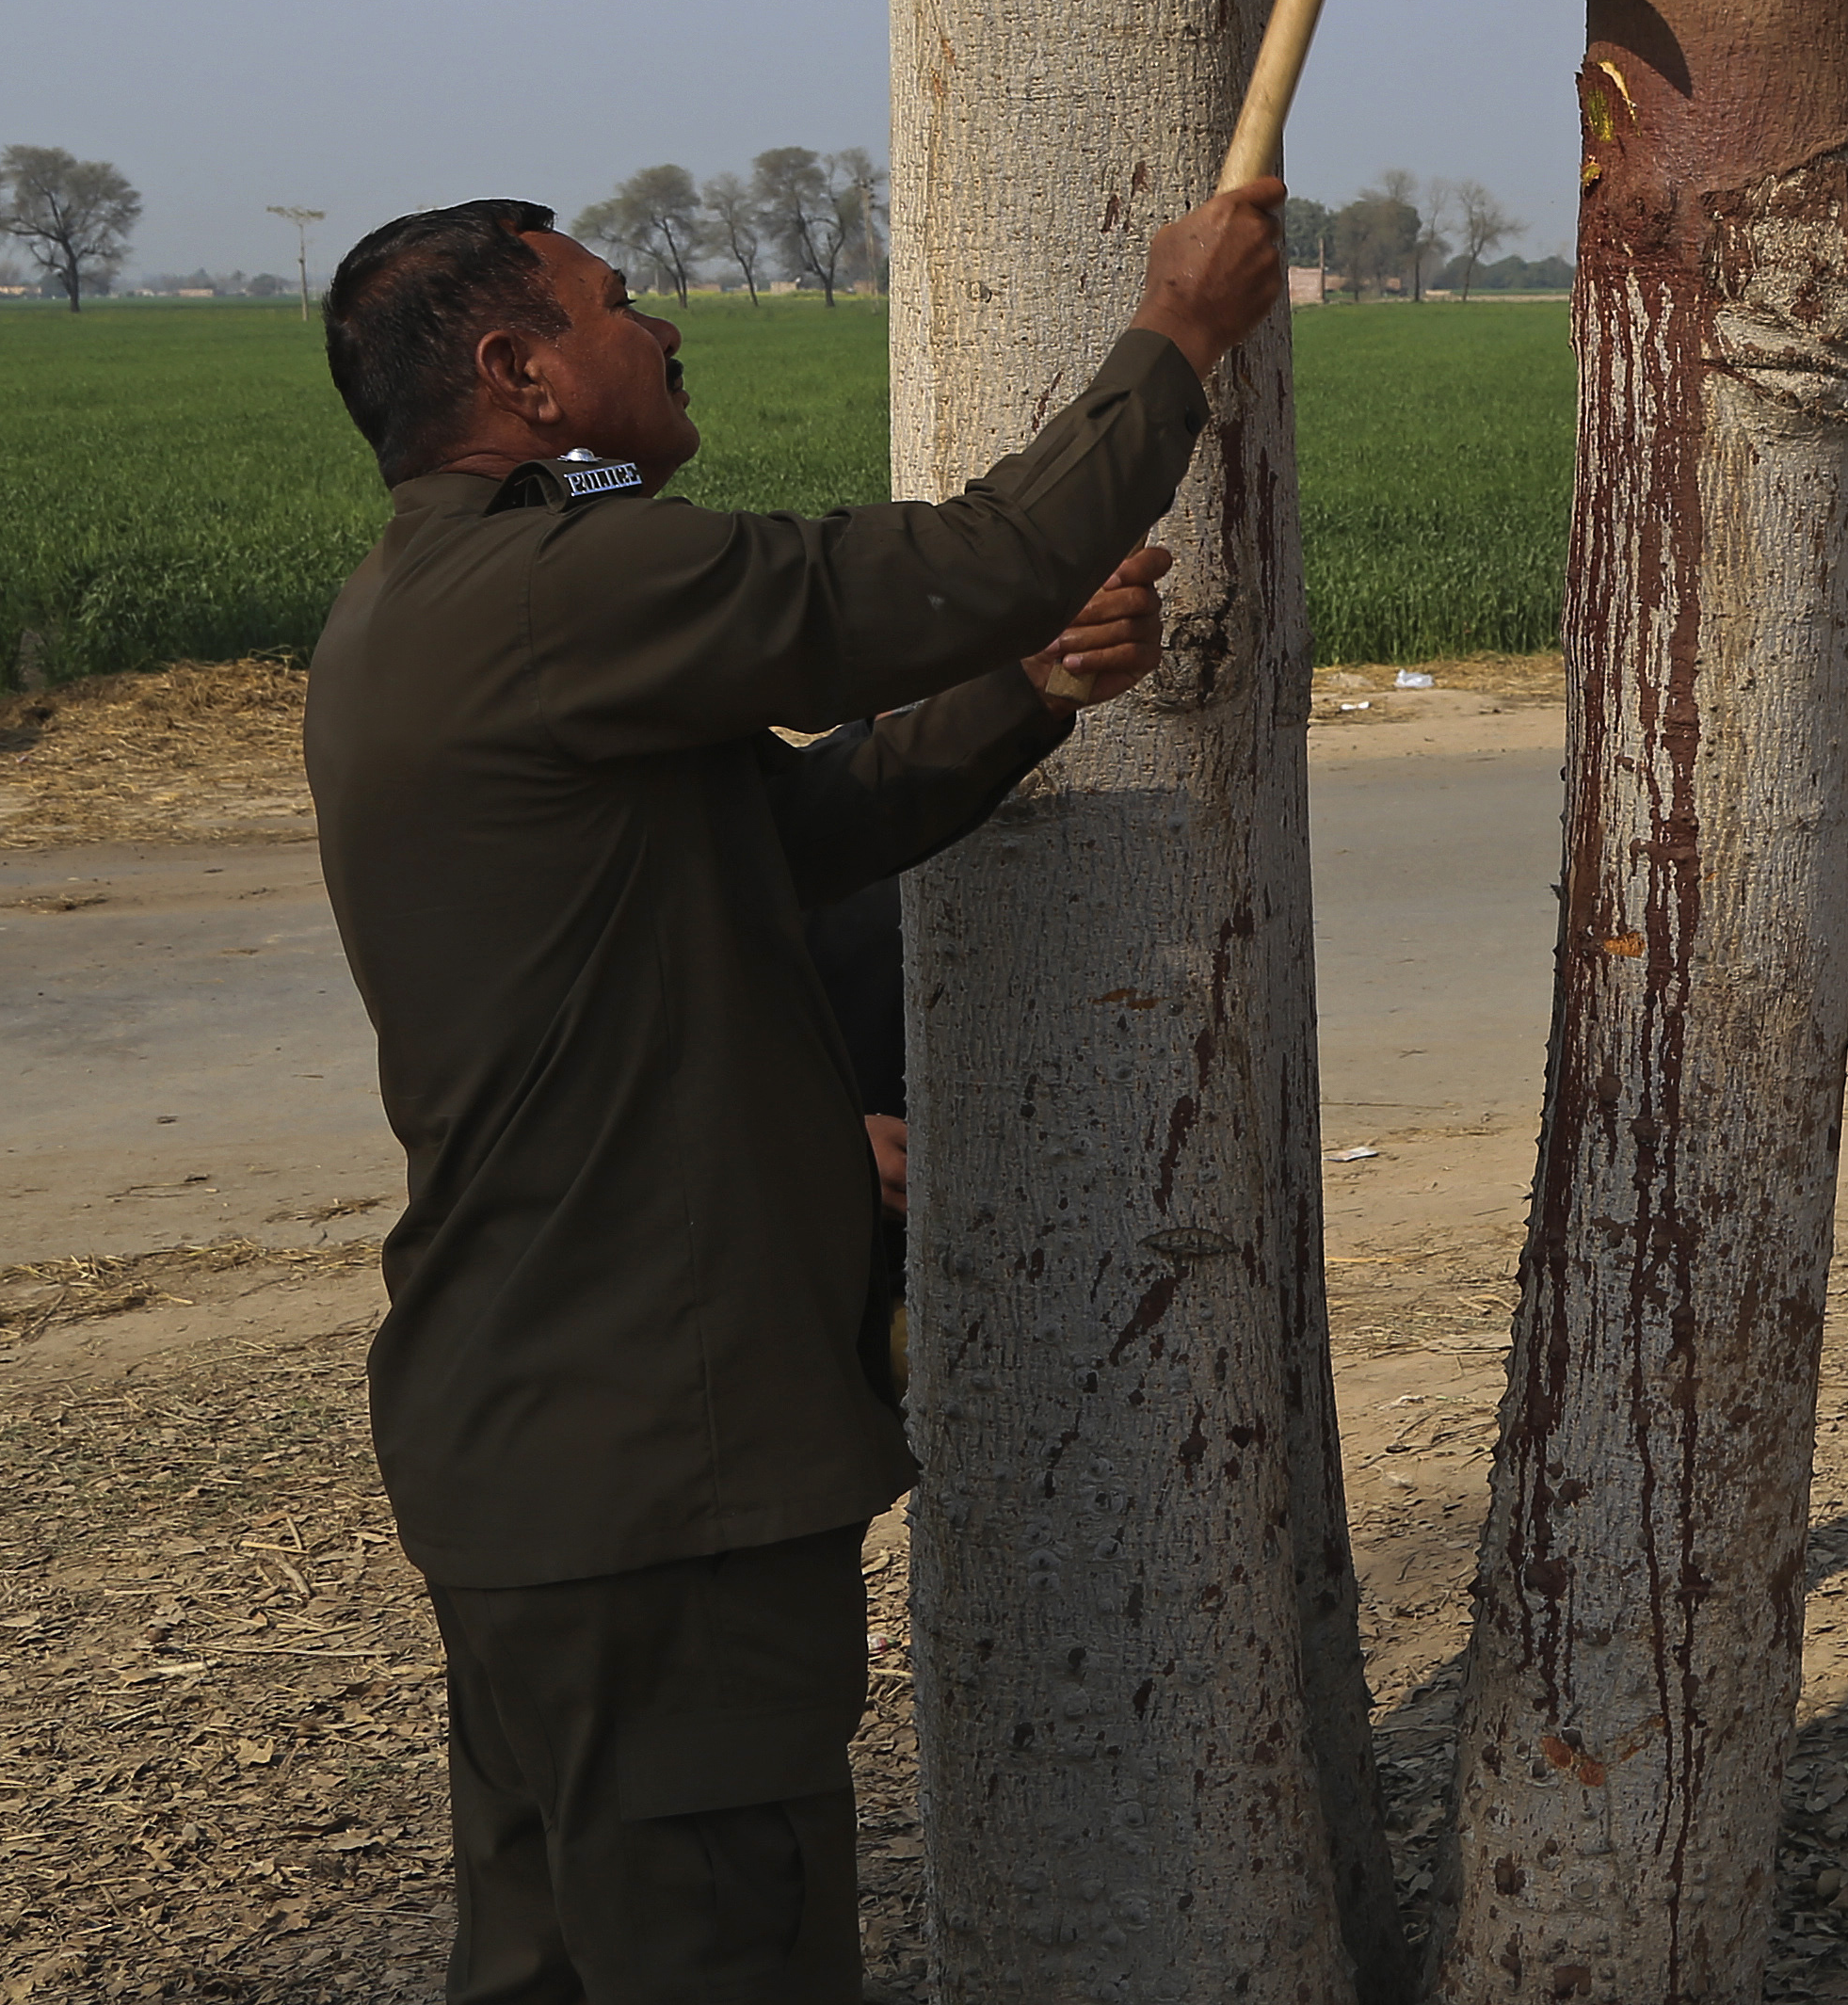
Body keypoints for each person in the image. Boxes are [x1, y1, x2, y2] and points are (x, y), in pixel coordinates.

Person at [302, 179, 1289, 2002]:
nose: (663, 329)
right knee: (717, 1957)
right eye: (616, 305)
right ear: (523, 375)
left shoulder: (438, 614)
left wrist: (1025, 692)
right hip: (656, 1471)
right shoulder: (567, 581)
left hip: (536, 1459)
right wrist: (1180, 336)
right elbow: (964, 562)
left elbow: (794, 828)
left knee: (551, 1957)